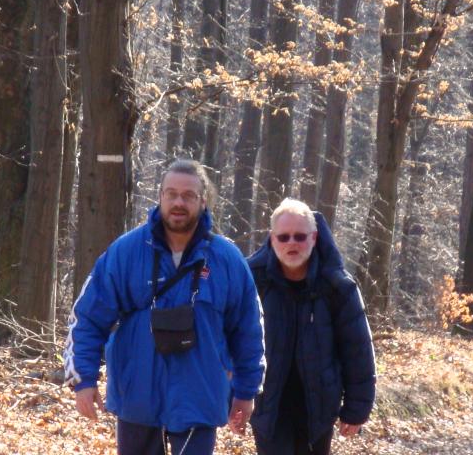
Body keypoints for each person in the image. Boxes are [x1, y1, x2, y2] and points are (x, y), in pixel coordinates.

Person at [64, 159, 265, 455]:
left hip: (199, 398)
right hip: (137, 398)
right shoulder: (126, 251)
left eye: (188, 195)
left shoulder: (227, 259)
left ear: (203, 201)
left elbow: (248, 330)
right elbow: (88, 318)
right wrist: (83, 379)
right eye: (171, 194)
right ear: (160, 196)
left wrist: (246, 391)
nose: (178, 202)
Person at [248, 198, 376, 455]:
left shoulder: (338, 287)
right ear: (272, 239)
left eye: (300, 236)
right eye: (283, 237)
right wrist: (233, 398)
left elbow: (357, 350)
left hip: (319, 407)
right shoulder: (252, 282)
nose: (292, 243)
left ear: (314, 237)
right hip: (267, 405)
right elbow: (231, 342)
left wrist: (356, 408)